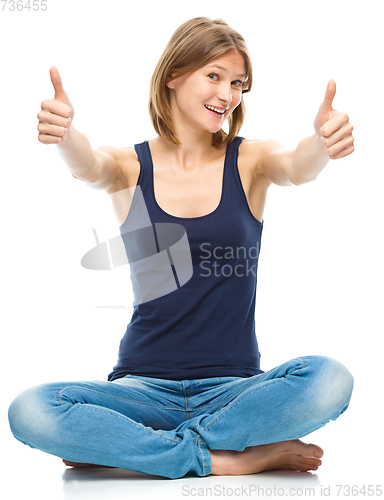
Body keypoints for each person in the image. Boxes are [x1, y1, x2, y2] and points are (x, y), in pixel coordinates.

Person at [8, 17, 355, 480]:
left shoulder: (249, 160)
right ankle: (235, 457)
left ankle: (133, 450)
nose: (227, 94)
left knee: (331, 379)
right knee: (30, 409)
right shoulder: (128, 166)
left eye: (237, 83)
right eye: (214, 76)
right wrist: (65, 135)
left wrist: (322, 144)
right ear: (173, 75)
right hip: (141, 391)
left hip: (234, 392)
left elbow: (297, 166)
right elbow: (89, 165)